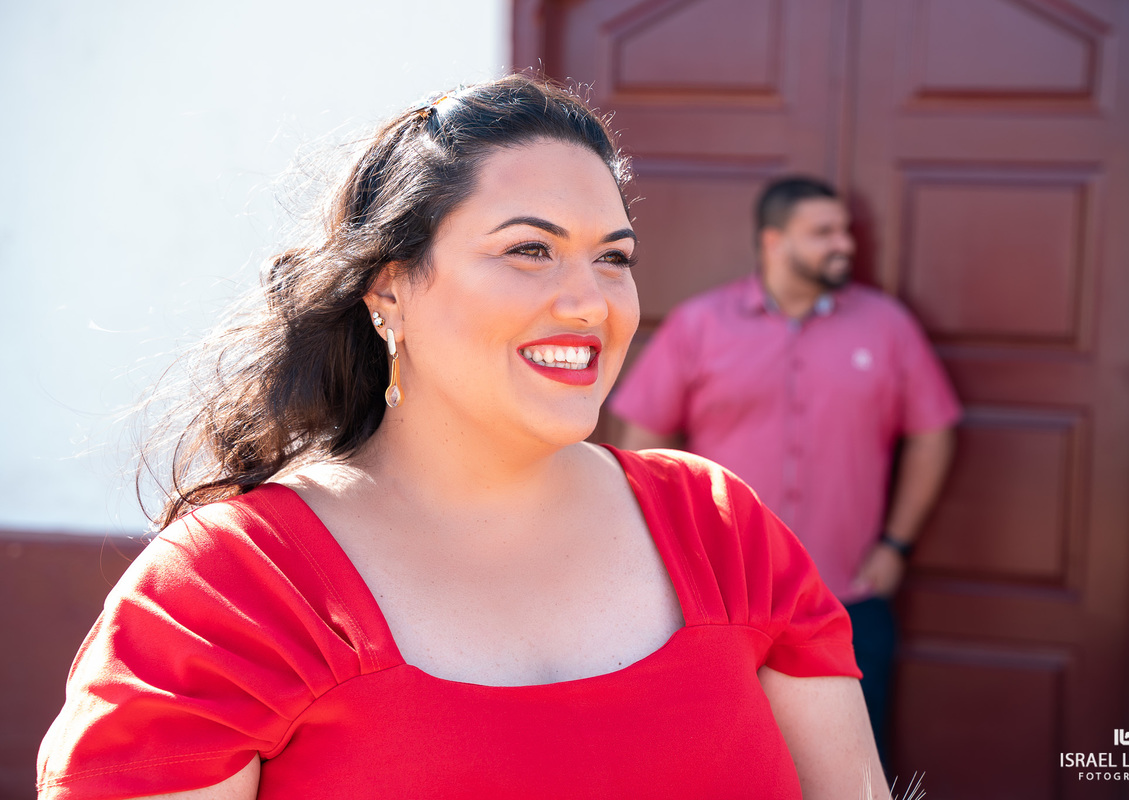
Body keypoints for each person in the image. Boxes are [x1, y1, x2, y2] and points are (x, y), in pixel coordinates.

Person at [36, 78, 893, 799]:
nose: (590, 303)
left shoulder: (721, 531)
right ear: (390, 290)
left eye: (613, 257)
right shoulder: (234, 586)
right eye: (530, 250)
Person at [610, 175, 960, 766]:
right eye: (824, 232)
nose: (844, 244)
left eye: (845, 230)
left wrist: (896, 544)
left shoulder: (887, 326)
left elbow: (933, 432)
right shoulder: (700, 325)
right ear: (773, 241)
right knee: (719, 768)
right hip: (720, 602)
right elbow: (644, 445)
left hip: (847, 597)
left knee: (850, 770)